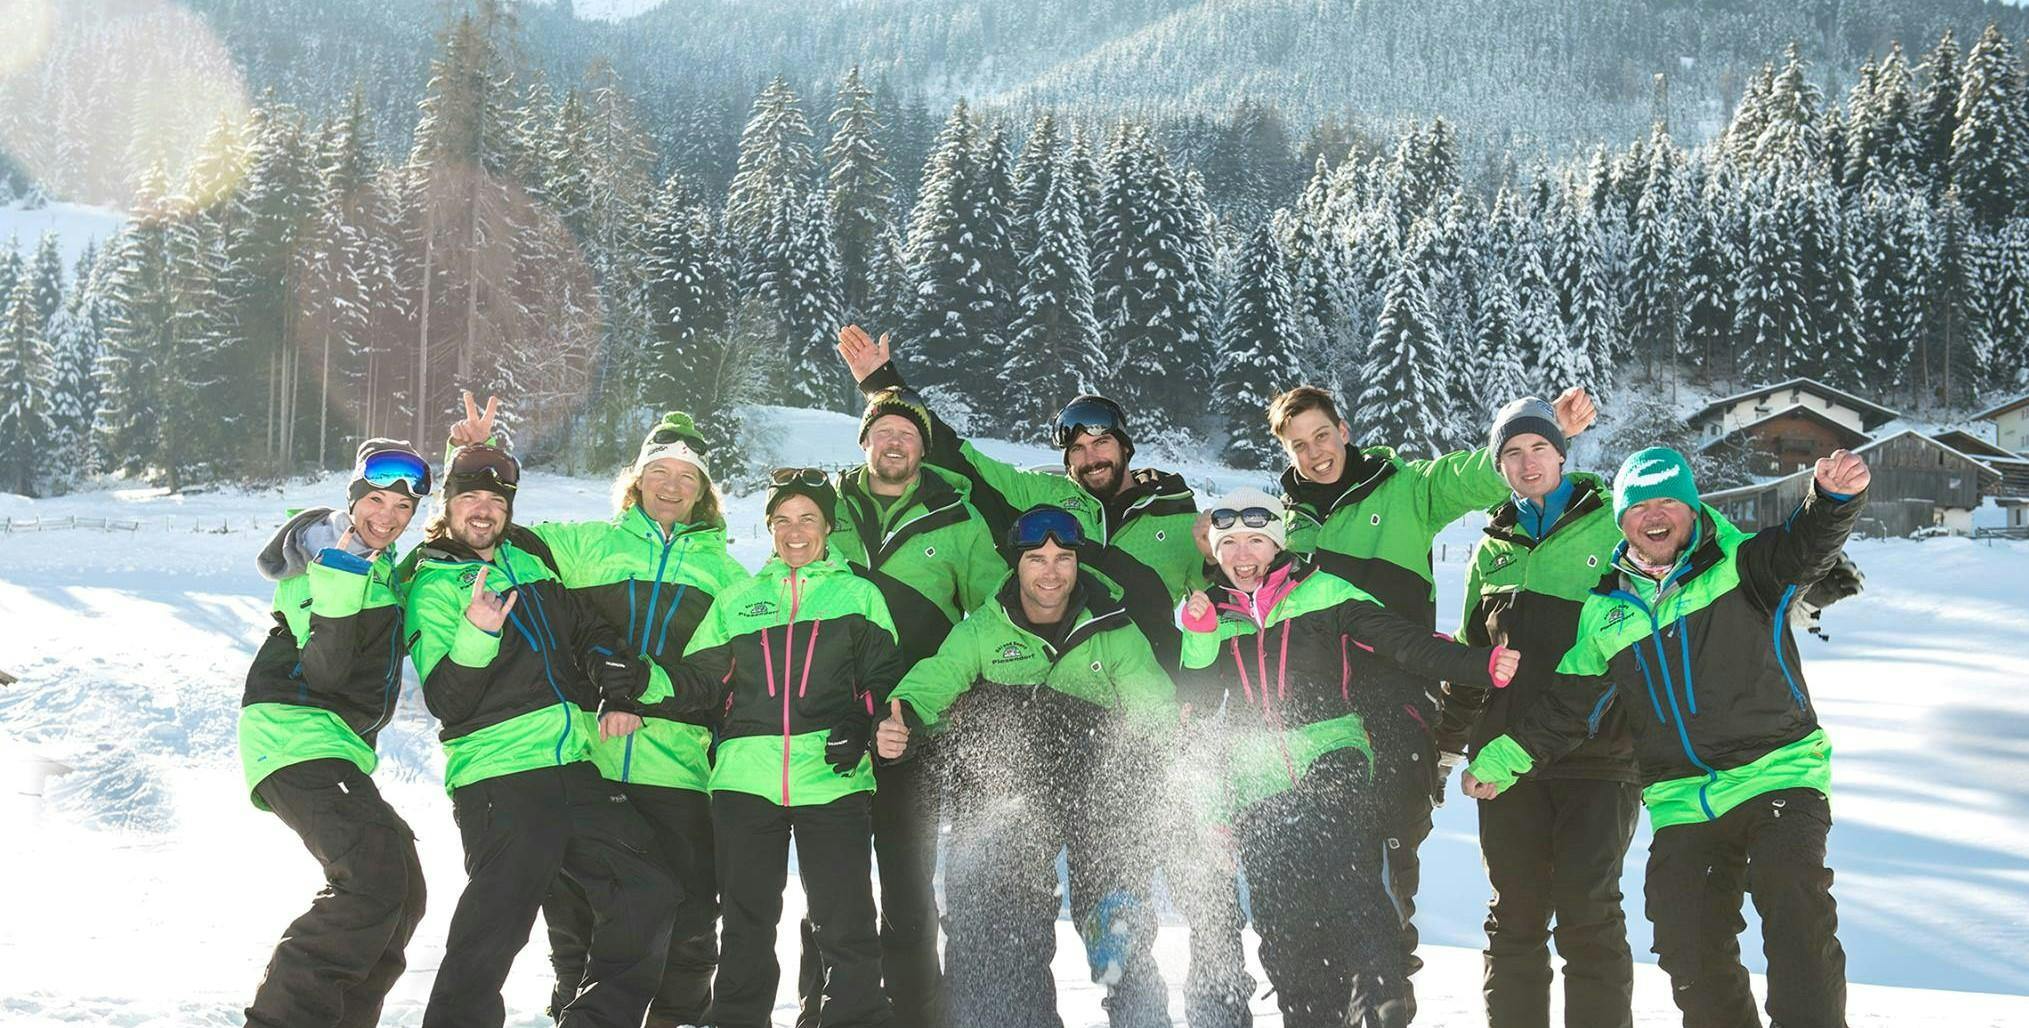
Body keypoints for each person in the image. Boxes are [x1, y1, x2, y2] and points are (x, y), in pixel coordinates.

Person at [838, 325, 1250, 1026]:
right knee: (1006, 897)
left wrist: (1218, 563)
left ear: (1125, 446)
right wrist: (886, 387)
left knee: (1166, 900)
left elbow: (1238, 589)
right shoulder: (1038, 513)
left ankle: (1195, 1009)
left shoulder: (1179, 514)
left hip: (1145, 727)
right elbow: (962, 461)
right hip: (1043, 728)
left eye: (1102, 442)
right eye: (1077, 448)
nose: (1091, 456)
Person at [1464, 446, 1871, 1028]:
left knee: (1793, 900)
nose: (1653, 516)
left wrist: (1830, 500)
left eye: (1667, 503)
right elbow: (1570, 704)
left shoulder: (1743, 565)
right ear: (1622, 520)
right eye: (1638, 507)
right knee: (1684, 933)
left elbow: (1805, 546)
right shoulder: (1607, 608)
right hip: (1682, 796)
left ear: (1691, 508)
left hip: (1775, 772)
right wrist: (1499, 760)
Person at [1264, 383, 1595, 1020]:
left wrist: (1545, 427)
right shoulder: (1285, 525)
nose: (1315, 453)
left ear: (1344, 429)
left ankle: (1385, 1010)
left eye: (1323, 435)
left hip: (1395, 705)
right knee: (1314, 884)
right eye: (1299, 445)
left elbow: (1478, 475)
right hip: (1312, 720)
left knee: (1386, 878)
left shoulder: (1407, 489)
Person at [441, 398, 751, 1028]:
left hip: (678, 771)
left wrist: (642, 686)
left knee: (690, 921)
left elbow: (715, 683)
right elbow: (483, 525)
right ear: (637, 480)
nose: (671, 487)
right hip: (588, 762)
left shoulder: (727, 578)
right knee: (576, 924)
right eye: (659, 472)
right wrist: (468, 457)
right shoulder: (581, 546)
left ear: (704, 493)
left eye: (686, 477)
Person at [1175, 487, 1519, 1028]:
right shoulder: (1209, 612)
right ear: (1216, 552)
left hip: (1331, 749)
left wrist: (1479, 664)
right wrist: (1198, 637)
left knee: (1348, 880)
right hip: (1254, 777)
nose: (1244, 555)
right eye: (1230, 543)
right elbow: (1193, 701)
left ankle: (1380, 1003)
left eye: (1256, 541)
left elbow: (1403, 642)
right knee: (1284, 923)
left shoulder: (1323, 592)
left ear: (1277, 544)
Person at [405, 441, 677, 1028]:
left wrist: (611, 673)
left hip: (574, 766)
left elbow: (587, 629)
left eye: (495, 501)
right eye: (470, 499)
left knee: (649, 889)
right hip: (500, 775)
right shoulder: (432, 584)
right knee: (493, 932)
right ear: (447, 506)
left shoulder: (529, 561)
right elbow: (447, 699)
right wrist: (477, 632)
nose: (483, 510)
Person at [875, 506, 1176, 1028]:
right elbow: (937, 678)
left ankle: (1133, 996)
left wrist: (1165, 771)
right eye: (1037, 559)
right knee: (996, 927)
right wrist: (900, 716)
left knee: (1119, 927)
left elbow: (1155, 713)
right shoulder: (985, 629)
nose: (1051, 572)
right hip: (1009, 792)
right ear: (1016, 565)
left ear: (1078, 563)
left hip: (1095, 788)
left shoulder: (1112, 629)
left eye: (1063, 559)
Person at [656, 469, 904, 1028]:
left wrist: (859, 722)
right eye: (783, 520)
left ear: (828, 527)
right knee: (745, 922)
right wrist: (640, 685)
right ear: (769, 528)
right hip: (745, 780)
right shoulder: (738, 600)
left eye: (808, 519)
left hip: (833, 776)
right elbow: (699, 682)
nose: (795, 532)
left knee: (844, 920)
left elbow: (884, 679)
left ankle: (857, 1020)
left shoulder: (859, 595)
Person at [794, 388, 1007, 1028]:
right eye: (883, 431)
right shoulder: (828, 508)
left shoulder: (957, 518)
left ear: (923, 448)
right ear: (864, 441)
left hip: (912, 726)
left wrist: (966, 695)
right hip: (826, 723)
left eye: (908, 434)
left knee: (909, 890)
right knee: (830, 889)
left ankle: (917, 1014)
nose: (894, 443)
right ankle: (822, 1013)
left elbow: (995, 614)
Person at [1432, 399, 1639, 1028]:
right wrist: (1446, 746)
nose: (1528, 464)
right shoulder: (1491, 548)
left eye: (1539, 448)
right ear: (1498, 465)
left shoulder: (1611, 525)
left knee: (1588, 914)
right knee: (1515, 917)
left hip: (1599, 756)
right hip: (1505, 761)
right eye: (1513, 453)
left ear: (1562, 453)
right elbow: (1473, 655)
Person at [238, 440, 433, 1028]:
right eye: (375, 501)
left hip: (333, 746)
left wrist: (470, 453)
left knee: (404, 888)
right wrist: (344, 575)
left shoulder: (380, 567)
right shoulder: (318, 559)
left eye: (403, 507)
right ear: (353, 500)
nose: (388, 517)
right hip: (295, 736)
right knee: (371, 879)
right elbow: (325, 670)